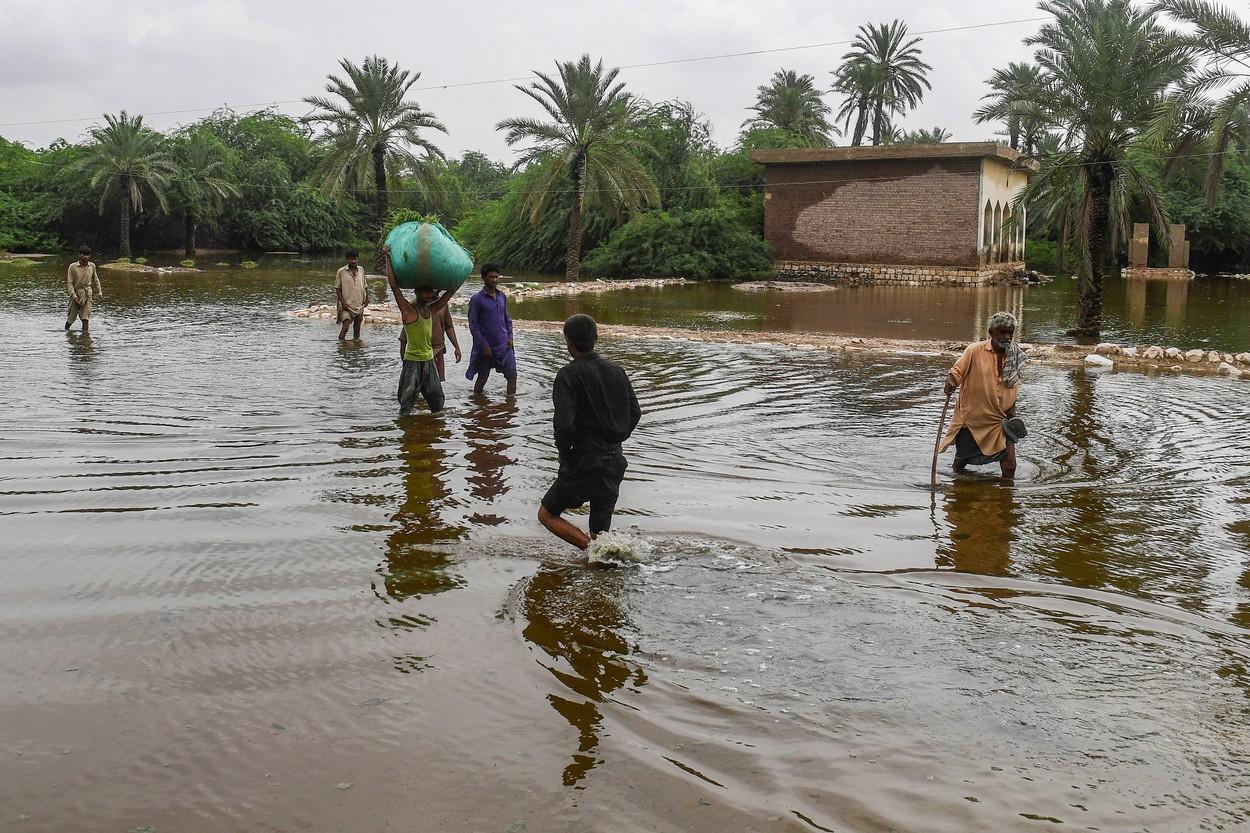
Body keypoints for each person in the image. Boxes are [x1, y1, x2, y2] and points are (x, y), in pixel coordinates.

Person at [538, 314, 642, 551]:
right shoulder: (617, 371)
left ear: (568, 343)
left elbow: (564, 426)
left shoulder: (568, 375)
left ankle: (596, 553)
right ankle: (601, 564)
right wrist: (616, 438)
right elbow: (635, 412)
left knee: (547, 514)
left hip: (584, 461)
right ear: (595, 338)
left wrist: (566, 459)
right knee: (600, 532)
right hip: (614, 462)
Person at [939, 311, 1028, 478]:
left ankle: (1005, 500)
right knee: (961, 462)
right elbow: (956, 372)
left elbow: (1013, 385)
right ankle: (958, 491)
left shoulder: (1015, 354)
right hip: (973, 418)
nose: (1007, 336)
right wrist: (950, 382)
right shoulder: (974, 350)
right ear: (991, 333)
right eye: (1002, 332)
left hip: (1000, 419)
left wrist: (1012, 413)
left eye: (1010, 332)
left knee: (1010, 466)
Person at [383, 244, 455, 415]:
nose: (431, 295)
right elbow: (394, 287)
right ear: (417, 292)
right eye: (427, 293)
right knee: (406, 403)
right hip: (413, 362)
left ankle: (432, 431)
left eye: (432, 293)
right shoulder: (408, 311)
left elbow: (449, 293)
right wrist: (388, 258)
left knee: (437, 402)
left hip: (429, 361)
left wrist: (460, 271)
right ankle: (407, 435)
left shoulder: (431, 310)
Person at [466, 262, 517, 397]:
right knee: (483, 377)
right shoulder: (476, 300)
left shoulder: (502, 296)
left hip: (504, 345)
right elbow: (473, 325)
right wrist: (484, 345)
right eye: (491, 277)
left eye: (496, 277)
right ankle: (477, 404)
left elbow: (507, 320)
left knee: (512, 376)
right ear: (483, 278)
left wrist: (510, 338)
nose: (494, 280)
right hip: (486, 347)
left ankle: (510, 407)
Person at [399, 303, 461, 382]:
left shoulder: (442, 305)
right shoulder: (414, 306)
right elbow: (405, 333)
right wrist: (403, 356)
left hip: (437, 350)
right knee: (417, 383)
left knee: (435, 383)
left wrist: (456, 347)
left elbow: (449, 327)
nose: (432, 294)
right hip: (418, 353)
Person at [65, 246, 103, 334]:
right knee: (71, 318)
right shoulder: (73, 267)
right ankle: (66, 332)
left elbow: (96, 280)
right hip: (76, 293)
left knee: (85, 318)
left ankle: (85, 340)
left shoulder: (92, 266)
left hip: (87, 293)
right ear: (79, 255)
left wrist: (99, 292)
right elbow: (70, 283)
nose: (86, 257)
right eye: (84, 255)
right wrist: (74, 296)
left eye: (88, 255)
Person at [335, 250, 368, 340]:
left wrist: (367, 299)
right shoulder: (341, 271)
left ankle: (356, 348)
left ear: (357, 259)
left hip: (359, 304)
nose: (353, 261)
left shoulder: (361, 270)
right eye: (351, 259)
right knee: (345, 327)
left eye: (355, 259)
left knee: (357, 330)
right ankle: (341, 348)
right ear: (347, 259)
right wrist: (343, 303)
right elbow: (337, 288)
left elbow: (365, 285)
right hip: (347, 305)